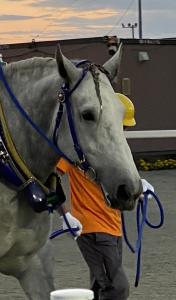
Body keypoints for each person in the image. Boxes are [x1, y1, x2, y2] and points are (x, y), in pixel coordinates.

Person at [56, 93, 154, 300]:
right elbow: (50, 179)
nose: (123, 132)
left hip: (112, 227)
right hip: (92, 228)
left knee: (99, 289)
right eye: (123, 127)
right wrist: (64, 215)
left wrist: (138, 191)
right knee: (117, 288)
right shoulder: (77, 149)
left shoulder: (112, 152)